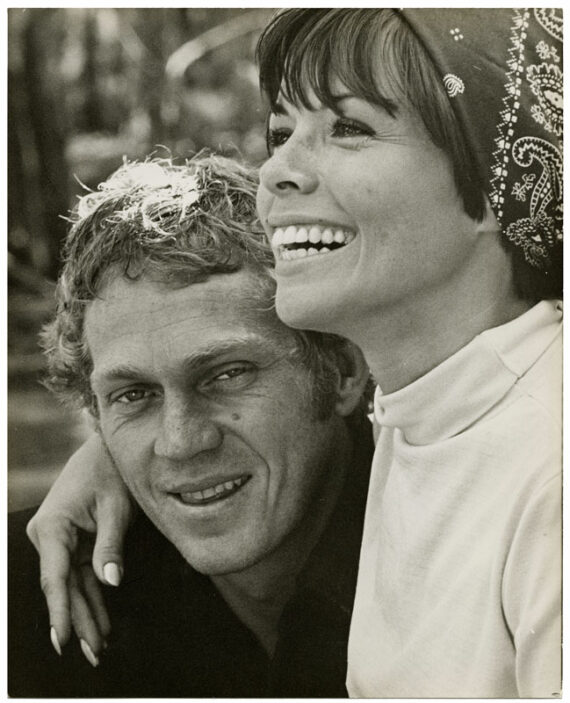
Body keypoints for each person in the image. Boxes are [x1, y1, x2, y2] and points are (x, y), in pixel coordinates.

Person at [26, 8, 562, 697]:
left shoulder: (550, 483)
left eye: (349, 127)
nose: (275, 169)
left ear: (496, 180)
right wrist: (119, 445)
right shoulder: (420, 409)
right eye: (282, 133)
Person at [10, 154, 373, 697]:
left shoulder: (475, 534)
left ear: (342, 369)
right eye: (134, 395)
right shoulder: (28, 592)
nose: (181, 442)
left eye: (226, 374)